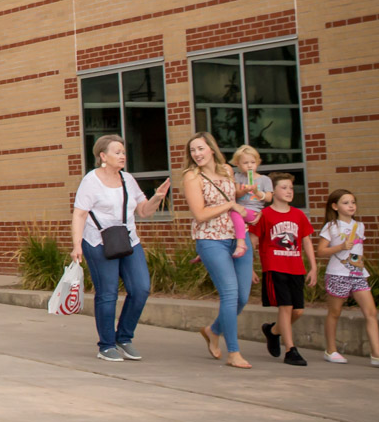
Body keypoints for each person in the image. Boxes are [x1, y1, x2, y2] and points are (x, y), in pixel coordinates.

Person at [68, 134, 166, 362]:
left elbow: (143, 211)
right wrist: (76, 244)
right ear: (103, 156)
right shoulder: (91, 181)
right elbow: (80, 214)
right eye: (117, 152)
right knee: (108, 293)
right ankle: (106, 345)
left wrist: (157, 197)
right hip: (98, 242)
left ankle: (124, 338)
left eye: (123, 152)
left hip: (128, 241)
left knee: (141, 288)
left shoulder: (128, 179)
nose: (122, 156)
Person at [185, 131, 253, 369]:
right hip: (211, 239)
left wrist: (241, 193)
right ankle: (233, 353)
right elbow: (200, 213)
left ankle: (213, 330)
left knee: (243, 297)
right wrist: (231, 203)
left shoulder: (226, 170)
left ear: (211, 149)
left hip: (238, 237)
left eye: (200, 148)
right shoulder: (192, 177)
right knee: (229, 294)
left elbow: (231, 195)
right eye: (193, 150)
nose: (197, 154)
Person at [250, 173, 315, 366]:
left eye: (291, 188)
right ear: (273, 191)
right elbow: (253, 242)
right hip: (274, 267)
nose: (289, 191)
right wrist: (250, 268)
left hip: (296, 268)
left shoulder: (298, 214)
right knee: (285, 308)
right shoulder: (265, 215)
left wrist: (313, 267)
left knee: (298, 311)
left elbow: (306, 241)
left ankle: (273, 331)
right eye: (284, 187)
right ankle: (290, 350)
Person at [317, 189, 379, 367]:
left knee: (371, 312)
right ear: (335, 206)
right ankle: (331, 350)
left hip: (358, 274)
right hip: (338, 274)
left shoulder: (359, 226)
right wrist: (341, 246)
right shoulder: (331, 226)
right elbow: (320, 251)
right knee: (335, 312)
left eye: (353, 202)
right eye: (346, 203)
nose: (351, 206)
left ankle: (376, 354)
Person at [230, 145, 273, 259]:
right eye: (245, 163)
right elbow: (236, 194)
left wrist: (257, 192)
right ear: (238, 164)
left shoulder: (264, 179)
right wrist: (244, 190)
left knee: (234, 213)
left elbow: (269, 198)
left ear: (258, 162)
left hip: (253, 211)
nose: (249, 165)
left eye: (252, 162)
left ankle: (241, 243)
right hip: (240, 208)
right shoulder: (238, 176)